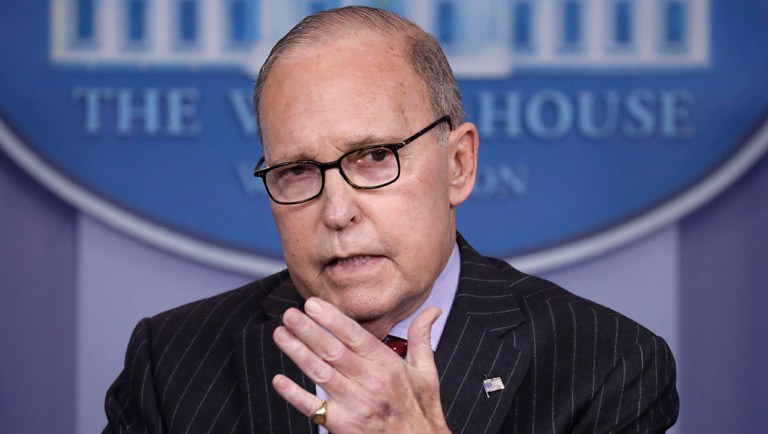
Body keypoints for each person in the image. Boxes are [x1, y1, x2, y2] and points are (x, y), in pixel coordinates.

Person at [104, 6, 678, 433]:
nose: (336, 210)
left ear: (458, 165)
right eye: (299, 170)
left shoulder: (604, 365)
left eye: (375, 157)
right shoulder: (173, 360)